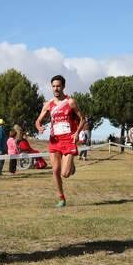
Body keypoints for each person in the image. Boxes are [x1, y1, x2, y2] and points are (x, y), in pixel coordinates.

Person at [35, 74, 84, 208]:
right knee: (55, 170)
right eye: (54, 86)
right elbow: (38, 121)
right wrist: (39, 127)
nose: (56, 89)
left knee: (65, 174)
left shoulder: (70, 102)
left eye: (58, 86)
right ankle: (61, 198)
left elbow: (82, 119)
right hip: (54, 140)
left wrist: (77, 133)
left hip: (68, 140)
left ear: (63, 87)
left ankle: (71, 166)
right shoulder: (48, 104)